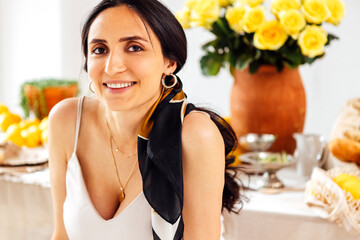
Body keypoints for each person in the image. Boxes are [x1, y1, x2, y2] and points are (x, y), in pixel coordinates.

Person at [49, 0, 244, 239]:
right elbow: (61, 235)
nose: (112, 67)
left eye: (134, 47)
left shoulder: (195, 134)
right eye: (100, 50)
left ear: (169, 62)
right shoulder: (66, 120)